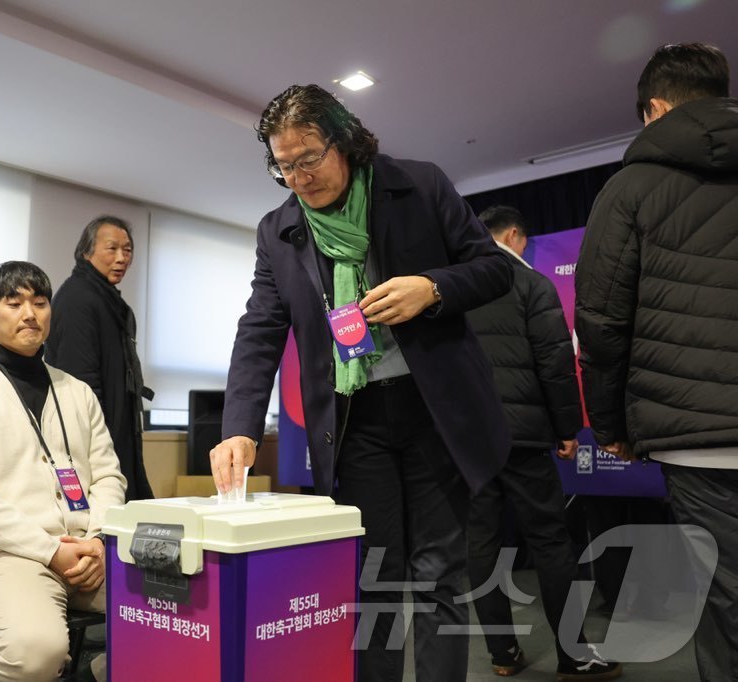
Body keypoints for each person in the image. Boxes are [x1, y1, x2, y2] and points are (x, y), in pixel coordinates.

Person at [210, 84, 514, 682]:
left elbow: (493, 269)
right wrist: (240, 428)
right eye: (284, 164)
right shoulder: (279, 230)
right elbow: (260, 331)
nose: (298, 176)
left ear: (344, 140)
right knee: (371, 578)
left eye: (309, 157)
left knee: (437, 577)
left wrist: (433, 288)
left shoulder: (419, 186)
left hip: (435, 412)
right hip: (355, 423)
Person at [575, 42, 738, 681]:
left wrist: (612, 427)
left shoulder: (631, 188)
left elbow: (603, 324)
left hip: (695, 437)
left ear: (656, 109)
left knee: (727, 595)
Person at [0, 260, 126, 681]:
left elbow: (109, 476)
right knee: (36, 653)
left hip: (91, 552)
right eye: (13, 303)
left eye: (40, 302)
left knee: (187, 610)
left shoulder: (79, 392)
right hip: (6, 555)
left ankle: (92, 675)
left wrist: (97, 541)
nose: (30, 313)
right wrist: (52, 550)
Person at [465, 205, 621, 679]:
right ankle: (573, 656)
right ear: (514, 235)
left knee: (480, 545)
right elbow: (555, 365)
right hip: (524, 435)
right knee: (552, 543)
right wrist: (566, 430)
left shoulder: (453, 285)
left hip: (467, 439)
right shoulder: (531, 284)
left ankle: (502, 654)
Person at [46, 216, 155, 501]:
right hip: (93, 445)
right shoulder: (78, 298)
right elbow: (80, 382)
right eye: (112, 249)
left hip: (117, 432)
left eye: (127, 250)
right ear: (87, 252)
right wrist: (98, 446)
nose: (121, 258)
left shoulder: (108, 300)